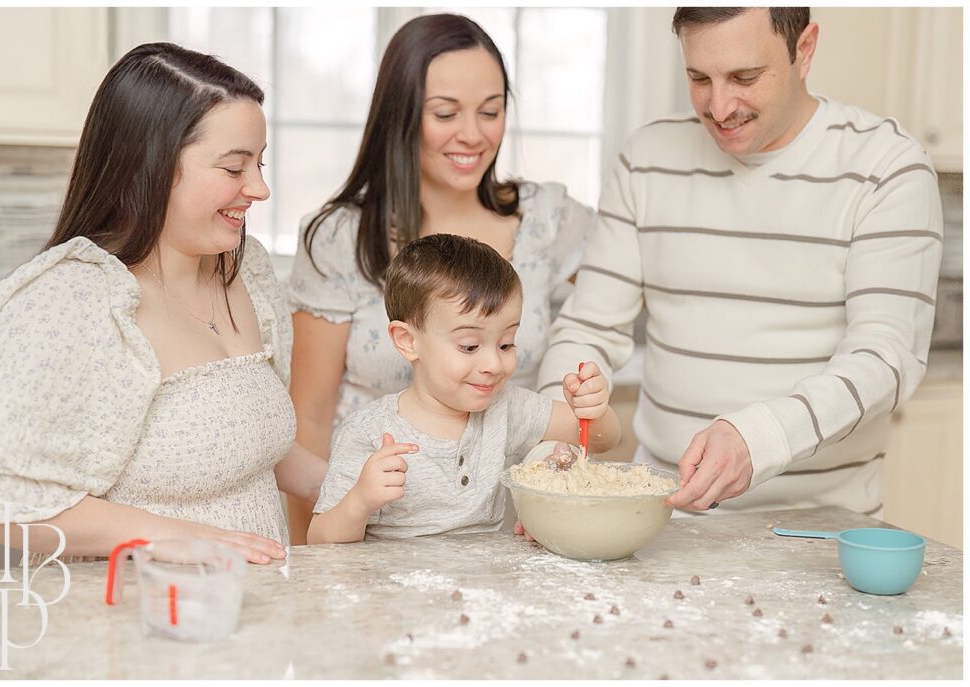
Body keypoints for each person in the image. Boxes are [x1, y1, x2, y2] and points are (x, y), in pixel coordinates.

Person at [534, 8, 943, 517]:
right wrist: (554, 445)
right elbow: (587, 328)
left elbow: (886, 358)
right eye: (698, 77)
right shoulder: (649, 157)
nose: (720, 106)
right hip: (662, 522)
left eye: (745, 77)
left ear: (805, 48)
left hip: (815, 532)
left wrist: (760, 437)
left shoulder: (887, 167)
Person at [0, 43, 327, 564]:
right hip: (134, 626)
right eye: (233, 167)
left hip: (254, 621)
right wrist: (164, 534)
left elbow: (244, 443)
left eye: (259, 163)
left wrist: (353, 486)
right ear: (149, 165)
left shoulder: (246, 268)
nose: (259, 188)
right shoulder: (71, 300)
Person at [286, 13, 595, 544]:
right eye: (445, 113)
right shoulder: (340, 237)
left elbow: (603, 327)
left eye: (491, 111)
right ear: (401, 115)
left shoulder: (548, 218)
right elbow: (309, 421)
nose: (472, 135)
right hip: (383, 533)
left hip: (506, 533)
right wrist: (313, 562)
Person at [307, 235, 619, 544]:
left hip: (483, 588)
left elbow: (601, 439)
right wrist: (360, 502)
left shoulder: (505, 407)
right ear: (407, 340)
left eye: (506, 343)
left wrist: (593, 409)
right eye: (469, 346)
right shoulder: (369, 431)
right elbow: (319, 540)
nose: (494, 364)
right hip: (395, 592)